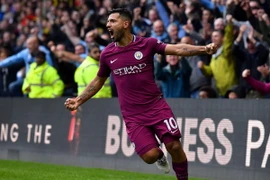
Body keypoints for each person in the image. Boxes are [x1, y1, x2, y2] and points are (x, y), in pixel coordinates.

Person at [64, 8, 217, 180]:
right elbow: (98, 80)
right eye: (107, 22)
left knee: (173, 146)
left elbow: (177, 49)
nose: (108, 25)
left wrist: (204, 49)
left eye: (112, 21)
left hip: (156, 106)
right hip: (133, 115)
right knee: (150, 156)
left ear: (125, 24)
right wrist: (79, 100)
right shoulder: (107, 54)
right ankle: (160, 157)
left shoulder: (147, 44)